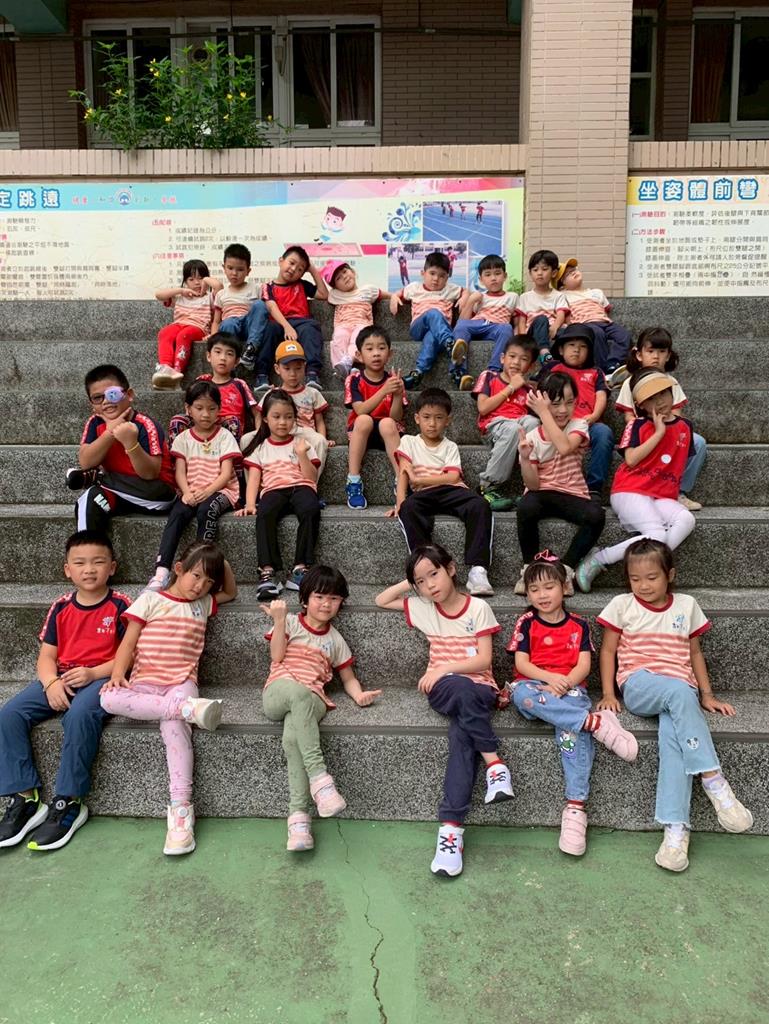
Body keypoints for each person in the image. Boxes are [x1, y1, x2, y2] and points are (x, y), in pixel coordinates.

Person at [596, 538, 753, 872]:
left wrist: (707, 694)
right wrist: (609, 693)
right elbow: (608, 651)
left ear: (670, 575)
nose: (643, 585)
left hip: (679, 690)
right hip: (639, 684)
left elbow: (695, 653)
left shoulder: (686, 605)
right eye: (635, 579)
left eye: (652, 577)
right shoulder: (622, 605)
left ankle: (675, 830)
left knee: (673, 739)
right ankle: (713, 780)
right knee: (680, 694)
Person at [375, 544, 514, 878]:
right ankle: (495, 764)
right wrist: (411, 581)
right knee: (461, 690)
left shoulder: (478, 608)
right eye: (421, 582)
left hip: (479, 688)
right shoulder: (424, 608)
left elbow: (484, 660)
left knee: (461, 736)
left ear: (451, 569)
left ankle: (451, 830)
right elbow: (381, 600)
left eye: (434, 574)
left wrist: (444, 667)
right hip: (443, 690)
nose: (430, 585)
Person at [101, 541, 237, 856]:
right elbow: (128, 642)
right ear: (178, 569)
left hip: (181, 683)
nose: (200, 586)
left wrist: (221, 563)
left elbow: (230, 592)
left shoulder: (203, 603)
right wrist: (118, 673)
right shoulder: (151, 599)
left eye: (208, 581)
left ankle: (181, 810)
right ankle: (186, 710)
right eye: (196, 576)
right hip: (145, 683)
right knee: (107, 699)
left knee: (175, 728)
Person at [0, 531, 130, 852]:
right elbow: (46, 657)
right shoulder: (60, 607)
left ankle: (69, 801)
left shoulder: (121, 605)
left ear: (112, 567)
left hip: (101, 677)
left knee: (79, 715)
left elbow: (130, 656)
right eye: (80, 563)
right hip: (61, 677)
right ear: (67, 570)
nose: (89, 569)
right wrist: (51, 683)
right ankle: (25, 798)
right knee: (10, 714)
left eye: (98, 562)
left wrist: (93, 673)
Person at [507, 552, 637, 856]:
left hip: (570, 689)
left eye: (549, 587)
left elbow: (584, 666)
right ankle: (594, 723)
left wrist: (564, 683)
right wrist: (549, 678)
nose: (542, 595)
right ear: (527, 594)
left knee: (570, 733)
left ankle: (576, 807)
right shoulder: (526, 622)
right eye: (534, 589)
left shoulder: (579, 624)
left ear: (565, 587)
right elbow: (521, 664)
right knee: (520, 695)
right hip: (535, 687)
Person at [261, 565, 382, 852]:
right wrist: (280, 621)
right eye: (319, 597)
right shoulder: (291, 623)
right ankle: (320, 779)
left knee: (292, 738)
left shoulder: (335, 640)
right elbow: (277, 656)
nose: (326, 604)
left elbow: (348, 678)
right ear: (304, 599)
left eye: (334, 598)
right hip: (278, 692)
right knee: (298, 694)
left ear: (341, 603)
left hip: (314, 700)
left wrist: (359, 695)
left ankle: (298, 820)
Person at [575, 370, 696, 593]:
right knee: (657, 534)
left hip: (661, 495)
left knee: (686, 519)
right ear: (641, 405)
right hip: (630, 490)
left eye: (663, 394)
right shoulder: (637, 425)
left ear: (673, 393)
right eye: (651, 398)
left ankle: (654, 563)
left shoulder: (685, 427)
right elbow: (630, 459)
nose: (660, 401)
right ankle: (599, 558)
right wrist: (658, 433)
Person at [393, 388, 494, 597]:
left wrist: (420, 480)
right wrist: (400, 502)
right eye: (427, 417)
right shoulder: (409, 441)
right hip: (423, 495)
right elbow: (403, 471)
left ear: (448, 420)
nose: (432, 423)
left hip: (451, 491)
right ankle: (426, 565)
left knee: (479, 504)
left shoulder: (450, 446)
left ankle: (478, 570)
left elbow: (452, 477)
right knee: (409, 508)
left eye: (439, 418)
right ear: (417, 418)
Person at [515, 372, 605, 595]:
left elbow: (564, 447)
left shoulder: (578, 425)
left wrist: (544, 412)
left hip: (573, 494)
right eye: (555, 404)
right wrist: (525, 458)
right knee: (525, 506)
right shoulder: (532, 437)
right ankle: (529, 569)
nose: (563, 410)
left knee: (596, 515)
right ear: (542, 403)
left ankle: (566, 570)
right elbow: (533, 485)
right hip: (542, 493)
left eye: (569, 402)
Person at [147, 381, 241, 592]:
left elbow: (226, 474)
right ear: (188, 409)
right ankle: (161, 571)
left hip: (222, 491)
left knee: (206, 510)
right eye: (199, 408)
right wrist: (187, 492)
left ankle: (203, 569)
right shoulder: (183, 438)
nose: (205, 414)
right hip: (191, 491)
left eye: (212, 408)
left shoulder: (224, 436)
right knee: (178, 513)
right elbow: (180, 472)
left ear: (219, 409)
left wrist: (208, 491)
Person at [237, 389, 322, 600]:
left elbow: (311, 477)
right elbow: (254, 479)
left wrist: (302, 455)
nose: (283, 422)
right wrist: (250, 504)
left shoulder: (301, 443)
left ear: (295, 418)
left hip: (301, 486)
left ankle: (301, 568)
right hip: (273, 489)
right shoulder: (260, 447)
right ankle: (268, 571)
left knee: (311, 509)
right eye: (276, 417)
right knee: (265, 513)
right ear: (265, 418)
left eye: (288, 417)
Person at [69, 364, 176, 531]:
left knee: (97, 485)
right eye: (97, 398)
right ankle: (88, 546)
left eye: (112, 394)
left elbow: (150, 473)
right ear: (92, 404)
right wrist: (110, 432)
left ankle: (98, 479)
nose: (106, 402)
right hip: (119, 493)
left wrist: (131, 443)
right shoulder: (95, 423)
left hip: (155, 496)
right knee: (89, 498)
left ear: (129, 395)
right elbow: (85, 462)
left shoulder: (144, 424)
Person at [614, 327, 707, 512]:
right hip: (643, 432)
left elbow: (677, 413)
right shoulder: (630, 382)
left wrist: (667, 429)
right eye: (650, 351)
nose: (656, 357)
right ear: (639, 355)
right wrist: (648, 430)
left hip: (668, 427)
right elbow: (629, 416)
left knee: (698, 442)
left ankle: (679, 490)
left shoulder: (671, 382)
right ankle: (647, 487)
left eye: (662, 351)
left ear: (668, 355)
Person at [542, 324, 615, 501]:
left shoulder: (595, 372)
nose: (577, 350)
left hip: (587, 422)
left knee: (604, 432)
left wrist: (594, 416)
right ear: (561, 349)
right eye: (572, 345)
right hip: (558, 420)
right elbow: (539, 390)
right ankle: (543, 484)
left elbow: (601, 395)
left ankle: (594, 487)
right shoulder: (553, 368)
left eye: (583, 347)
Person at [473, 335, 539, 512]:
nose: (516, 362)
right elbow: (483, 408)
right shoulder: (489, 376)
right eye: (512, 356)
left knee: (533, 423)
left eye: (523, 359)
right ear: (502, 358)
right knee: (514, 429)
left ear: (531, 366)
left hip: (519, 423)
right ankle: (488, 487)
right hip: (494, 425)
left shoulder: (528, 389)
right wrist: (511, 387)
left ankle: (531, 487)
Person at [344, 326, 407, 510]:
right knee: (364, 419)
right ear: (359, 355)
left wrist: (397, 395)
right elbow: (360, 410)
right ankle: (353, 481)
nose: (376, 353)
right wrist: (384, 391)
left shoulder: (394, 380)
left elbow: (396, 417)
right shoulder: (354, 379)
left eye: (381, 348)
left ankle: (401, 480)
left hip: (387, 433)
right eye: (369, 348)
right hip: (361, 432)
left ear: (390, 353)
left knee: (388, 422)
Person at [246, 340, 331, 475]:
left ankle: (312, 481)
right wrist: (260, 432)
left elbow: (319, 420)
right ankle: (254, 483)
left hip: (303, 432)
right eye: (287, 368)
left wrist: (323, 437)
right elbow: (260, 415)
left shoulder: (312, 393)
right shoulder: (272, 394)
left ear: (305, 367)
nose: (293, 374)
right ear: (277, 369)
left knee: (320, 441)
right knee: (246, 440)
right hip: (276, 430)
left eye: (298, 368)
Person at [390, 251, 469, 391]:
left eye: (442, 276)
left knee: (431, 337)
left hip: (439, 332)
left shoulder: (450, 289)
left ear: (447, 278)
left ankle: (418, 372)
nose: (436, 279)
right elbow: (398, 294)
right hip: (418, 328)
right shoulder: (414, 288)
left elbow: (465, 291)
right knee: (433, 313)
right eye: (432, 273)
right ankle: (450, 346)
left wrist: (464, 298)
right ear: (423, 273)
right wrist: (394, 298)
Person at [168, 334, 258, 444]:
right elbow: (190, 409)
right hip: (200, 427)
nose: (223, 358)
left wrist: (258, 436)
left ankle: (232, 454)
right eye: (218, 352)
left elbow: (257, 413)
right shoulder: (201, 381)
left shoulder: (239, 384)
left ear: (236, 361)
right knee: (177, 421)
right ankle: (177, 453)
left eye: (229, 354)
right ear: (209, 356)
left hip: (226, 437)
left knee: (233, 422)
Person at [261, 245, 328, 390]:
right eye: (291, 263)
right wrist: (286, 326)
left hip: (301, 323)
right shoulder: (268, 287)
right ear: (281, 261)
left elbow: (324, 295)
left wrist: (312, 270)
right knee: (268, 330)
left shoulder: (302, 285)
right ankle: (261, 375)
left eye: (300, 269)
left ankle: (312, 374)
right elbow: (271, 307)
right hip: (279, 324)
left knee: (310, 328)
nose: (293, 269)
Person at [152, 258, 221, 389]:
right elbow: (158, 295)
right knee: (164, 333)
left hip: (198, 328)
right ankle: (166, 368)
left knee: (184, 335)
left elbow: (218, 286)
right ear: (185, 281)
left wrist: (206, 281)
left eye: (200, 278)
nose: (197, 282)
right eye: (191, 279)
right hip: (178, 324)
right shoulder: (180, 297)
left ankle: (177, 370)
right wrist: (180, 290)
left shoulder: (210, 297)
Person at [554, 258, 631, 373]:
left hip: (605, 322)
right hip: (585, 324)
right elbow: (563, 313)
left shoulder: (597, 292)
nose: (573, 273)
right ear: (562, 285)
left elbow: (606, 309)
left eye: (574, 270)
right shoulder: (563, 295)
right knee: (597, 333)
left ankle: (613, 362)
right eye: (568, 274)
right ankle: (602, 369)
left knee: (623, 335)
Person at [210, 243, 270, 377]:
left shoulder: (255, 288)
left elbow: (260, 314)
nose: (234, 273)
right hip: (230, 326)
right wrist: (213, 339)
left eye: (240, 269)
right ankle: (231, 359)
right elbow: (216, 321)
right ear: (224, 268)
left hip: (249, 327)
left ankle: (250, 350)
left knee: (260, 305)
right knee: (228, 323)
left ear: (248, 271)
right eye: (230, 268)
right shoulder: (221, 294)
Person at [453, 255, 519, 375]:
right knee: (461, 326)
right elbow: (463, 320)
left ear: (505, 276)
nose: (493, 278)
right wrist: (471, 301)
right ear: (481, 279)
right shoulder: (479, 296)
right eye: (488, 275)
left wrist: (518, 338)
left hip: (497, 328)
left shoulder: (512, 296)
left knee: (506, 328)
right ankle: (458, 370)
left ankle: (493, 370)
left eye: (497, 273)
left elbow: (517, 322)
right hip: (477, 324)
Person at [321, 260, 386, 379]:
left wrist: (395, 297)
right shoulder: (335, 295)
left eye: (345, 271)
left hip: (362, 323)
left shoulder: (368, 290)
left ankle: (347, 362)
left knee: (358, 336)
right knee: (338, 337)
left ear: (353, 271)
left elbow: (386, 295)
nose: (344, 277)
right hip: (343, 325)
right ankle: (343, 368)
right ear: (335, 287)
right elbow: (321, 292)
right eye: (338, 278)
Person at [515, 249, 569, 361]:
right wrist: (523, 339)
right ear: (530, 274)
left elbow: (561, 314)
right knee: (541, 319)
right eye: (535, 270)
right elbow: (522, 321)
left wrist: (555, 327)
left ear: (553, 273)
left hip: (552, 329)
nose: (539, 273)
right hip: (534, 331)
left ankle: (555, 358)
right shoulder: (525, 297)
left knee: (568, 331)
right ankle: (544, 351)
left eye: (544, 269)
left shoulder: (558, 295)